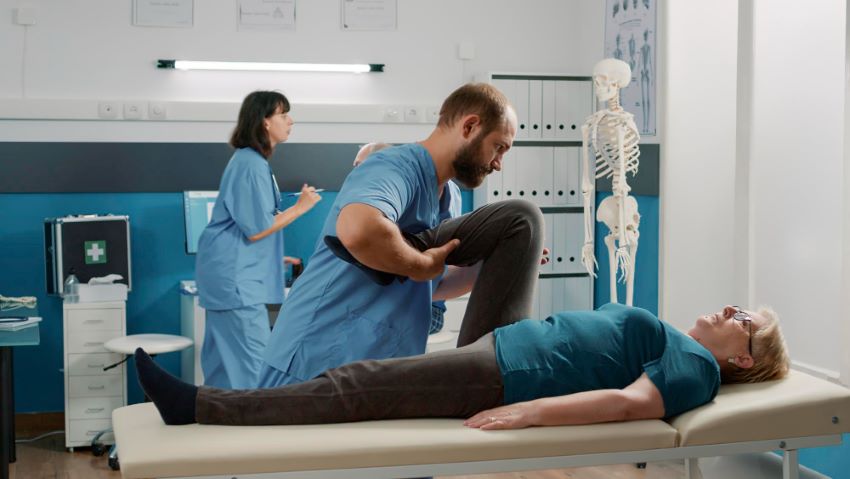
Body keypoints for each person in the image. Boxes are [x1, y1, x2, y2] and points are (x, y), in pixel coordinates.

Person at [257, 83, 546, 388]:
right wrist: (420, 265)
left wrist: (503, 262)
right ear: (470, 126)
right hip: (316, 356)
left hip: (379, 366)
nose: (498, 163)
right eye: (499, 147)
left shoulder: (450, 196)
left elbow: (433, 285)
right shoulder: (393, 167)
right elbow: (359, 231)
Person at [134, 302, 790, 428]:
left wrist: (529, 411)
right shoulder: (682, 342)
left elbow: (632, 404)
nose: (728, 309)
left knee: (359, 385)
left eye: (744, 320)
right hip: (502, 347)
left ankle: (200, 405)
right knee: (519, 221)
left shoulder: (695, 368)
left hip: (505, 376)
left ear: (742, 358)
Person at [195, 90, 322, 389]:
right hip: (236, 283)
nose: (290, 121)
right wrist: (301, 207)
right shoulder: (250, 164)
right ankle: (258, 431)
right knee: (255, 369)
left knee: (223, 367)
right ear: (265, 122)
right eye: (284, 114)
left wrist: (272, 258)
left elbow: (243, 226)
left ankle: (216, 421)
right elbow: (257, 227)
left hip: (229, 276)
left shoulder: (250, 162)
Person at [353, 142, 466, 336]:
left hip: (409, 305)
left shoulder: (394, 196)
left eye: (359, 165)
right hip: (427, 302)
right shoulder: (448, 191)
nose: (354, 173)